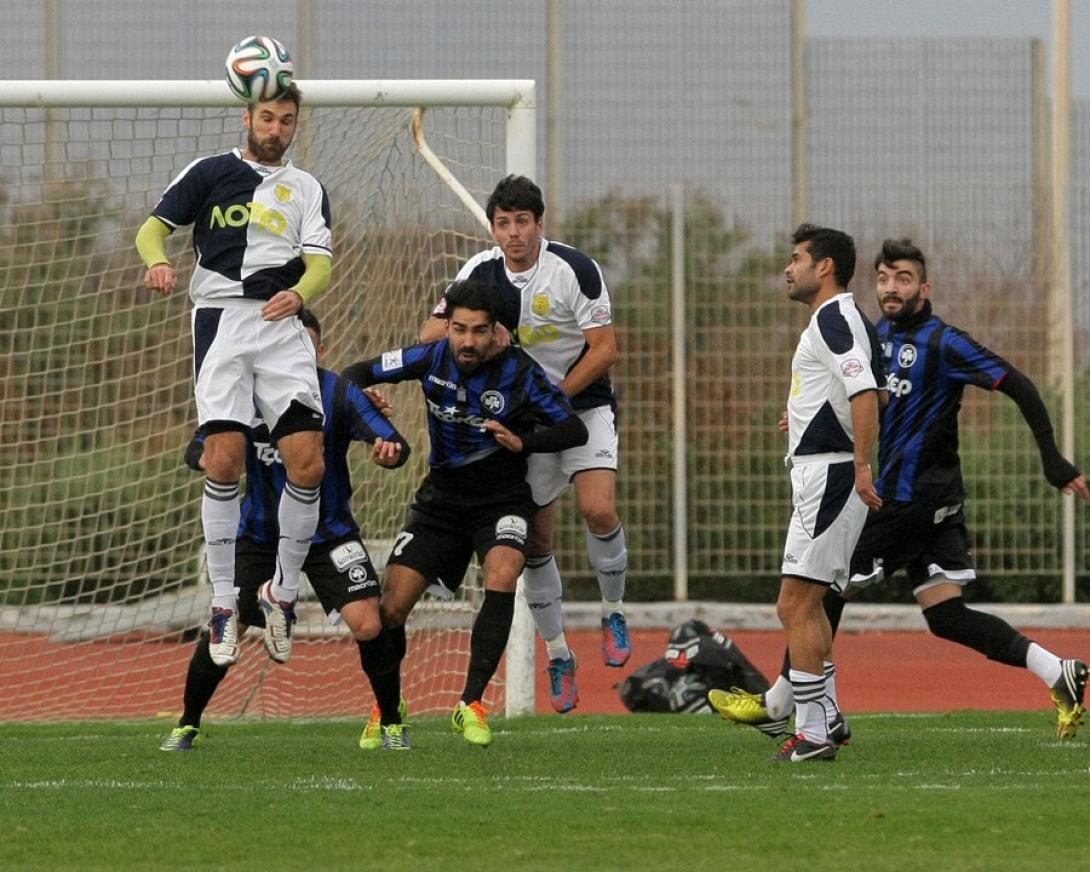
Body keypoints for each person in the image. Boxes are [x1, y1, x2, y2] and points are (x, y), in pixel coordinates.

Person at [711, 237, 1090, 742]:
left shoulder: (943, 342)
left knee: (820, 588)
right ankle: (1057, 670)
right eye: (885, 279)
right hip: (922, 500)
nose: (891, 288)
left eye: (904, 279)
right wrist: (811, 417)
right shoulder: (876, 333)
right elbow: (870, 398)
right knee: (946, 615)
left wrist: (1052, 459)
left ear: (924, 287)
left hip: (912, 497)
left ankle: (786, 705)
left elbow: (1017, 382)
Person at [343, 279, 588, 747]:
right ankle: (388, 707)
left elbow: (572, 429)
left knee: (504, 570)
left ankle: (471, 703)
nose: (467, 342)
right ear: (447, 326)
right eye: (459, 329)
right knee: (389, 609)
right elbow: (354, 374)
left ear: (496, 330)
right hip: (441, 502)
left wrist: (524, 442)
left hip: (500, 501)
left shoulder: (521, 372)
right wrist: (376, 424)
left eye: (478, 331)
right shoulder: (428, 356)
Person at [136, 83, 331, 669]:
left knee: (309, 461)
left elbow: (321, 263)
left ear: (295, 126)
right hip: (220, 321)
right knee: (224, 460)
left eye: (286, 121)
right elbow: (151, 230)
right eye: (267, 117)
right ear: (247, 117)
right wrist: (159, 263)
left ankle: (283, 592)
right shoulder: (210, 172)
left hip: (281, 325)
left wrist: (299, 294)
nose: (275, 129)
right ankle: (224, 602)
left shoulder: (307, 188)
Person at [420, 175, 627, 715]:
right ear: (493, 227)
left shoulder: (574, 269)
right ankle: (559, 654)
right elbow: (437, 329)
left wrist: (549, 396)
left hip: (583, 407)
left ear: (540, 224)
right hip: (523, 424)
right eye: (504, 223)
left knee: (598, 508)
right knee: (535, 542)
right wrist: (428, 353)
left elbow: (604, 350)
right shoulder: (477, 272)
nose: (514, 234)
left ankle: (613, 610)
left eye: (523, 222)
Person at [160, 309, 411, 751]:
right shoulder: (241, 392)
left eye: (305, 342)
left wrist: (388, 450)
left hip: (329, 534)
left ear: (318, 348)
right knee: (227, 624)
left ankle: (391, 722)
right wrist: (208, 459)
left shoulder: (338, 393)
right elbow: (199, 446)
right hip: (259, 535)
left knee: (369, 624)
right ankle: (187, 723)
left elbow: (392, 440)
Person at [764, 223, 884, 763]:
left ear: (825, 267)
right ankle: (827, 718)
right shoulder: (844, 319)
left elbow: (864, 393)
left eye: (796, 259)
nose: (789, 269)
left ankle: (812, 733)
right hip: (827, 470)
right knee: (808, 605)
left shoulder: (834, 318)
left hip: (832, 478)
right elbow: (868, 389)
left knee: (794, 603)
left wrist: (859, 464)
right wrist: (809, 418)